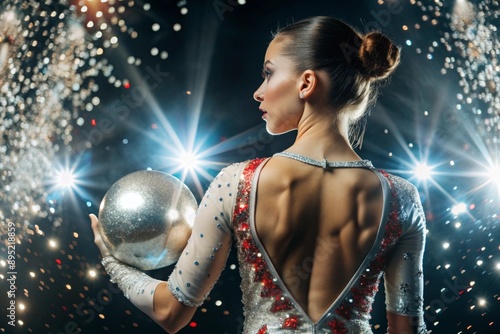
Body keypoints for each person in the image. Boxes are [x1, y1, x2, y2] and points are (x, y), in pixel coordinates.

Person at [90, 16, 427, 333]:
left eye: (268, 73)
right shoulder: (402, 198)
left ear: (306, 83)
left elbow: (171, 312)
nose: (259, 91)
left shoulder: (236, 183)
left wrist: (113, 263)